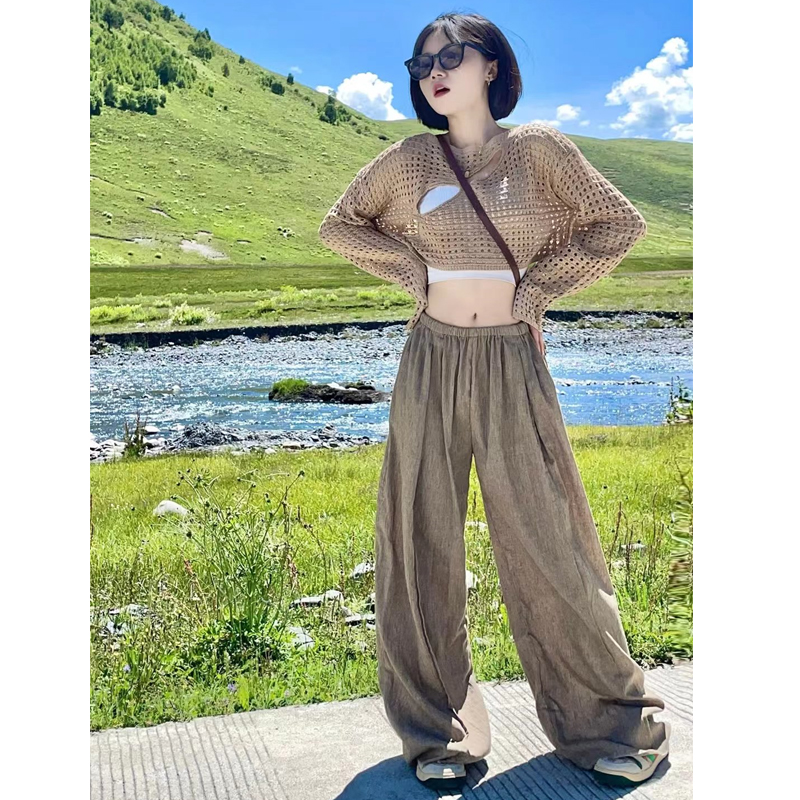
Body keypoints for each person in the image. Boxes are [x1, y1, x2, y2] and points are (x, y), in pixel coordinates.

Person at [318, 12, 671, 792]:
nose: (435, 71)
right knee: (418, 541)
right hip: (431, 358)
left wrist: (536, 293)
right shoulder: (410, 160)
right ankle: (439, 732)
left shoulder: (540, 150)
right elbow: (340, 226)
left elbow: (618, 223)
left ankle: (616, 723)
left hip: (512, 358)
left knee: (550, 540)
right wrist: (413, 273)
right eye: (421, 64)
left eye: (452, 56)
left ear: (491, 67)